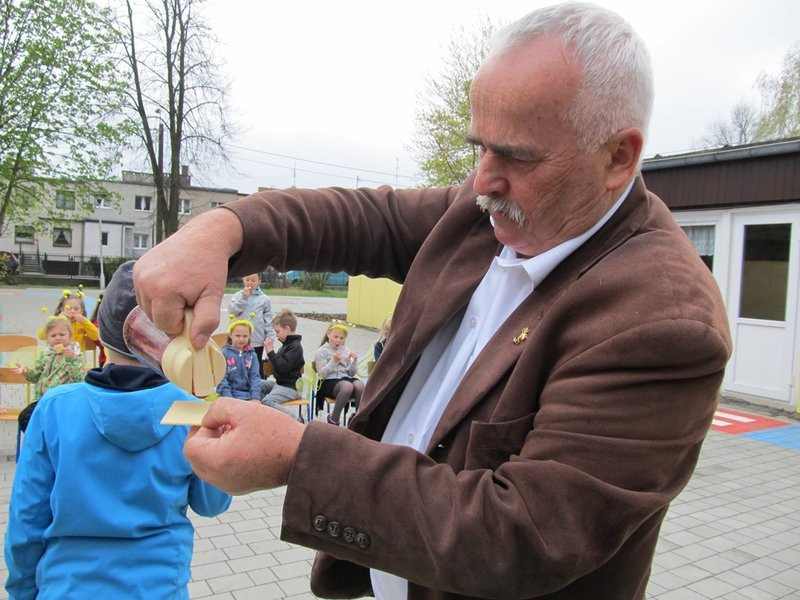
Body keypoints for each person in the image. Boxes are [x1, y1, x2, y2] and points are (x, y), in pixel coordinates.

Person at [131, 3, 732, 598]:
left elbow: (520, 536)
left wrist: (299, 457)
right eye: (481, 147)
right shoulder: (491, 210)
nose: (484, 179)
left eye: (517, 155)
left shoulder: (662, 323)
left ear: (618, 156)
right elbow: (359, 219)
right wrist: (222, 230)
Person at [4, 261, 231, 599]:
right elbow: (212, 504)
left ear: (104, 334)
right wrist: (215, 424)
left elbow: (27, 519)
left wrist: (23, 591)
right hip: (158, 588)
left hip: (66, 587)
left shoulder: (54, 408)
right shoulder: (192, 412)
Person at [15, 315, 85, 432]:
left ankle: (49, 444)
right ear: (47, 339)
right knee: (25, 417)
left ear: (70, 336)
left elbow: (78, 379)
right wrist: (26, 372)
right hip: (43, 400)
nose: (58, 338)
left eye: (62, 335)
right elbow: (36, 376)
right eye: (53, 335)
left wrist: (70, 360)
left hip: (63, 401)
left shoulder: (76, 355)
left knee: (55, 426)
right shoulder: (46, 355)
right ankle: (38, 444)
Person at [314, 322, 363, 425]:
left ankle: (358, 419)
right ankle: (333, 419)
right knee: (347, 386)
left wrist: (354, 362)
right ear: (328, 334)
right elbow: (322, 374)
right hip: (328, 382)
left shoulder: (346, 351)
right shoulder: (322, 351)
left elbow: (351, 374)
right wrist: (333, 362)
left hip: (344, 379)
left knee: (360, 385)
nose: (338, 340)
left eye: (341, 338)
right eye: (335, 336)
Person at [261, 309, 306, 421]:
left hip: (290, 387)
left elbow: (283, 367)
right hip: (280, 384)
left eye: (278, 331)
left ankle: (295, 420)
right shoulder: (286, 345)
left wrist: (271, 352)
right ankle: (265, 417)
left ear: (287, 328)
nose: (276, 335)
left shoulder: (295, 347)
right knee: (256, 384)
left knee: (267, 401)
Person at [227, 273, 274, 376]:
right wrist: (244, 298)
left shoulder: (264, 299)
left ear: (259, 281)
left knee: (256, 367)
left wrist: (270, 336)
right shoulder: (238, 296)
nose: (250, 283)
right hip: (240, 340)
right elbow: (232, 311)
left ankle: (259, 388)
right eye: (247, 279)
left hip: (257, 340)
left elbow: (268, 320)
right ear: (243, 279)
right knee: (239, 366)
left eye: (253, 280)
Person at [38, 289, 100, 354]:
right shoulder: (57, 322)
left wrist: (85, 322)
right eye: (68, 308)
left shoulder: (82, 323)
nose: (72, 311)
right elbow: (41, 336)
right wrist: (57, 319)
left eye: (76, 309)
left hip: (77, 358)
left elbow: (96, 336)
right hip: (57, 356)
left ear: (82, 311)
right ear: (62, 310)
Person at [216, 318, 262, 401]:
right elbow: (221, 378)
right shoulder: (224, 353)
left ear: (249, 336)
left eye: (245, 336)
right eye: (238, 336)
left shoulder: (252, 355)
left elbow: (255, 377)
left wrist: (255, 397)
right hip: (229, 395)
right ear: (230, 335)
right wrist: (228, 397)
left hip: (248, 395)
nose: (241, 339)